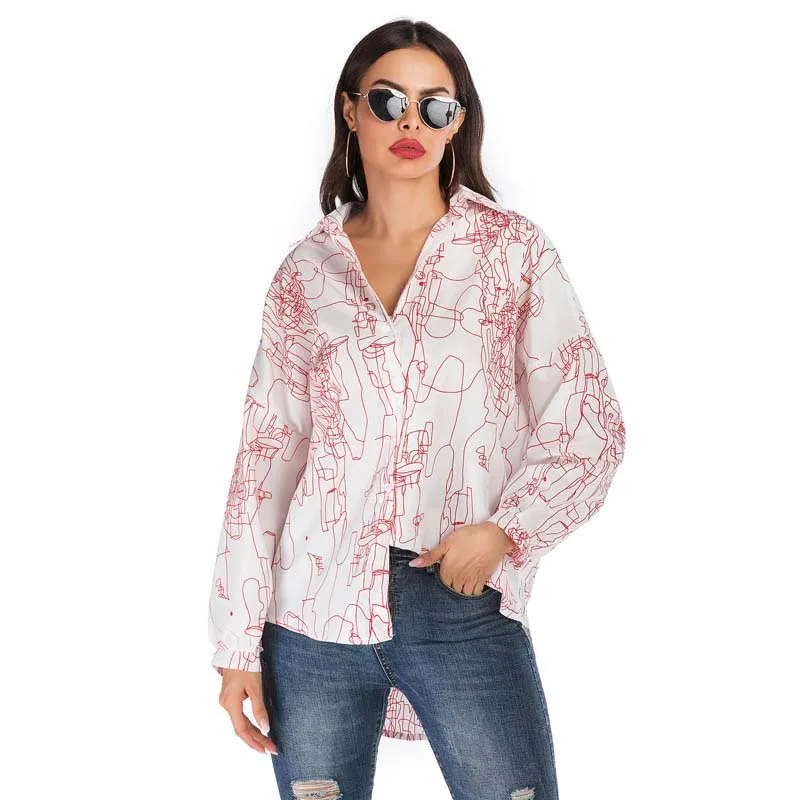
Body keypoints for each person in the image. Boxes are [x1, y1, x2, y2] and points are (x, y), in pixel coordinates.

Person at [208, 18, 625, 800]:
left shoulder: (511, 253)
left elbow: (589, 424)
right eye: (388, 100)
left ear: (457, 122)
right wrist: (237, 645)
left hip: (459, 599)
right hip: (310, 621)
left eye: (436, 106)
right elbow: (266, 462)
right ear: (350, 109)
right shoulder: (306, 274)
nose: (412, 122)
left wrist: (505, 531)